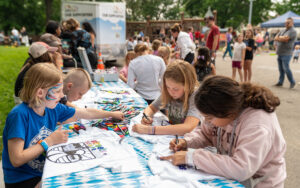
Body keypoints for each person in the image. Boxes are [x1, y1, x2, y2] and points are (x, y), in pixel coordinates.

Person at [2, 63, 123, 188]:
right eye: (58, 91)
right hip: (22, 180)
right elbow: (16, 159)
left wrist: (111, 114)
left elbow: (84, 112)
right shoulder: (19, 115)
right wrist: (49, 141)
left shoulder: (52, 108)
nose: (62, 96)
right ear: (40, 93)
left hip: (42, 169)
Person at [162, 75, 286, 188]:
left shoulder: (257, 125)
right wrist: (187, 142)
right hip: (233, 178)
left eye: (209, 118)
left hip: (261, 183)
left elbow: (241, 168)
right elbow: (206, 133)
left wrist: (192, 157)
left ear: (228, 112)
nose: (207, 121)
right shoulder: (223, 112)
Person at [132, 60, 202, 135]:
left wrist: (150, 130)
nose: (171, 92)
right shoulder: (168, 92)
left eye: (175, 89)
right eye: (168, 87)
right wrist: (146, 116)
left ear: (187, 86)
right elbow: (151, 108)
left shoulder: (196, 95)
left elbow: (188, 127)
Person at [274, 17, 297, 89]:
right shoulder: (283, 30)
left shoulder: (293, 31)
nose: (286, 23)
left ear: (292, 23)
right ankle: (280, 82)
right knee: (281, 69)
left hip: (287, 53)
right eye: (286, 22)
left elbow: (286, 39)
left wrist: (280, 38)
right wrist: (281, 38)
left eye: (288, 22)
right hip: (280, 52)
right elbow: (275, 37)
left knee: (286, 68)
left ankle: (292, 82)